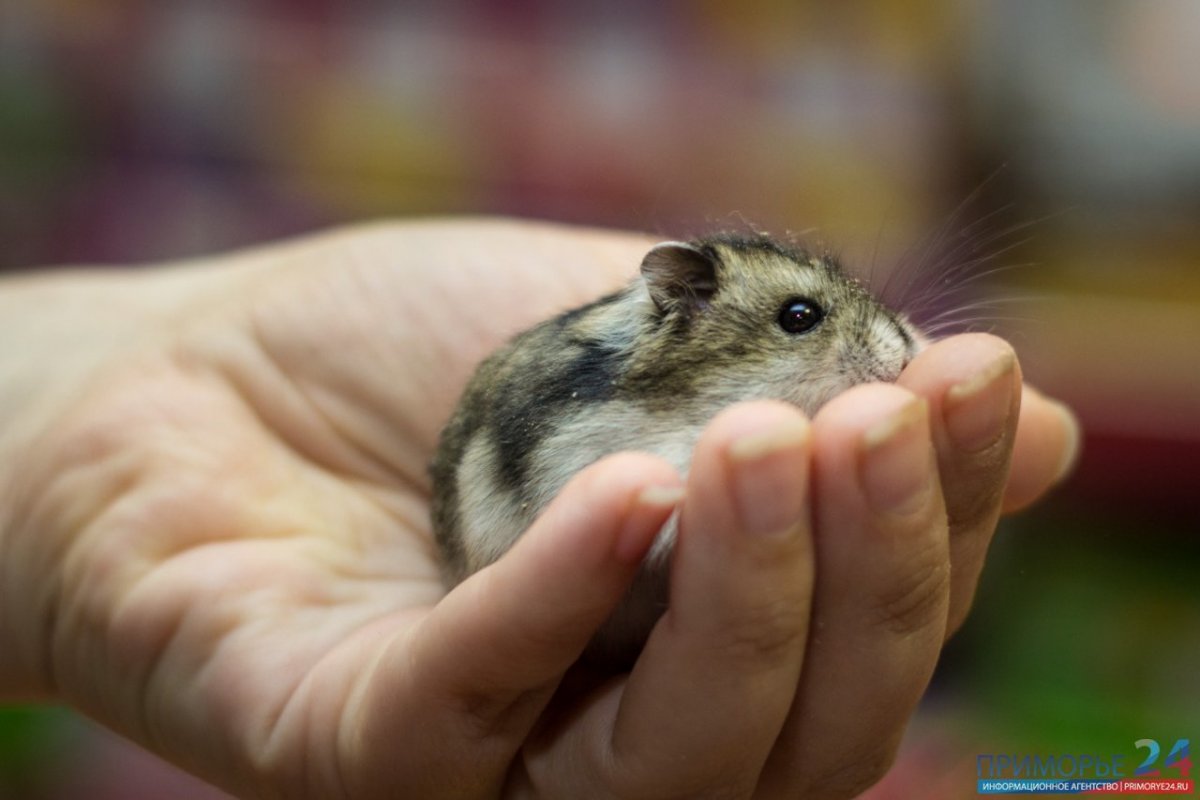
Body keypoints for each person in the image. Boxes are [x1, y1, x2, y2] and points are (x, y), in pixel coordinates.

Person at [0, 219, 1078, 799]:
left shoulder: (739, 417)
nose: (885, 348)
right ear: (682, 304)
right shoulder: (615, 412)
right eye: (805, 319)